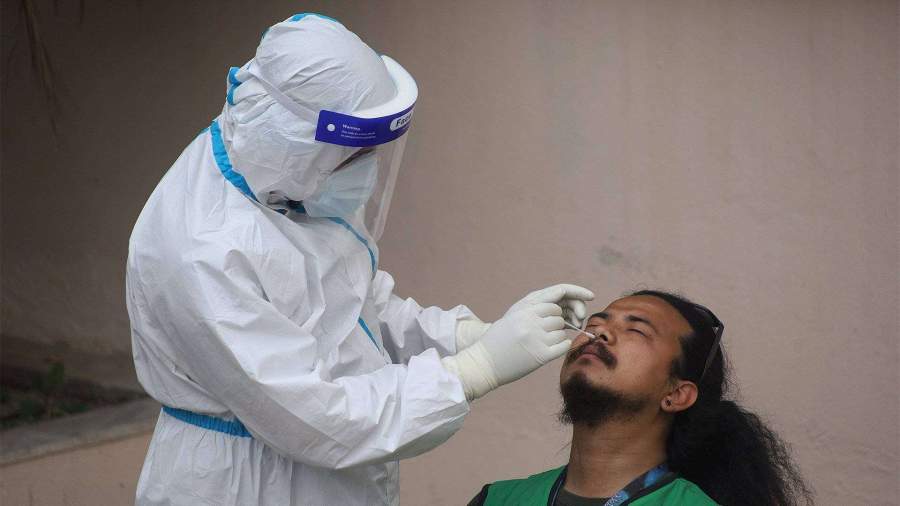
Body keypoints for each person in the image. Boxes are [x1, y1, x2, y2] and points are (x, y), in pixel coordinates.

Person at [125, 13, 594, 506]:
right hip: (246, 483)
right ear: (297, 146)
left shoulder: (281, 178)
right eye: (355, 153)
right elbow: (315, 421)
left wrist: (468, 335)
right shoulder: (203, 250)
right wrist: (477, 368)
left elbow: (351, 307)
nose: (364, 167)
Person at [469, 290, 813, 506]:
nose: (599, 333)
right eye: (594, 324)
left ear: (676, 394)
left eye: (636, 330)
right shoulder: (496, 500)